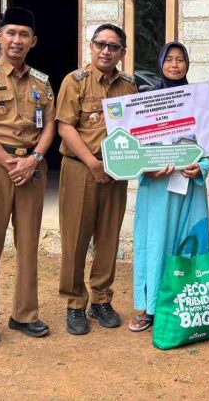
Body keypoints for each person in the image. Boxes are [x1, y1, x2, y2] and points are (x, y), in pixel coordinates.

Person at [0, 7, 56, 350]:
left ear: (33, 41)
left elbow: (49, 126)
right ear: (0, 37)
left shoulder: (42, 83)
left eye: (24, 35)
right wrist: (7, 162)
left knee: (29, 242)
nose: (17, 40)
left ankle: (25, 314)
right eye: (11, 33)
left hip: (31, 167)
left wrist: (33, 160)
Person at [56, 23, 137, 335]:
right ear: (91, 47)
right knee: (76, 236)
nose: (106, 51)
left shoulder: (129, 86)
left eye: (113, 47)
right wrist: (92, 163)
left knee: (108, 236)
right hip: (80, 167)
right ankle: (75, 302)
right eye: (101, 44)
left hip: (117, 170)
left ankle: (101, 298)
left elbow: (135, 129)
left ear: (122, 53)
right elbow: (65, 126)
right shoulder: (74, 82)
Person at [128, 42, 209, 333]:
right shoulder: (146, 102)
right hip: (156, 188)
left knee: (187, 241)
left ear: (187, 65)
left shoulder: (199, 102)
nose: (175, 65)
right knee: (155, 242)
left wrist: (200, 167)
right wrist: (146, 170)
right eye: (170, 60)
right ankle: (150, 307)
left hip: (189, 186)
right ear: (160, 63)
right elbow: (134, 146)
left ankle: (184, 304)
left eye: (180, 60)